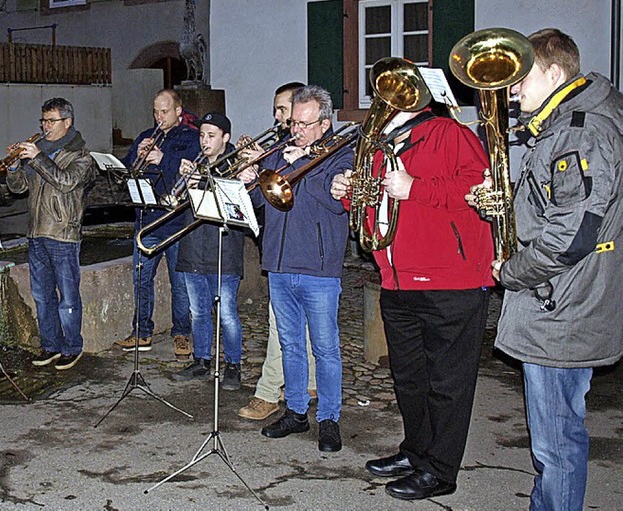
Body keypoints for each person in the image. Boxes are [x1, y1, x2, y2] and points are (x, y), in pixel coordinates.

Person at [467, 28, 623, 511]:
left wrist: (512, 269)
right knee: (556, 436)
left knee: (556, 442)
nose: (512, 91)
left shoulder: (580, 130)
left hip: (562, 303)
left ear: (555, 73)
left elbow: (572, 234)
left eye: (521, 78)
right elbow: (560, 209)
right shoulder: (571, 123)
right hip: (563, 296)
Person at [331, 103, 494, 497]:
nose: (381, 106)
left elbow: (481, 191)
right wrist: (350, 194)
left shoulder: (449, 133)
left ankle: (440, 471)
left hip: (450, 281)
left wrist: (415, 187)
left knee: (447, 383)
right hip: (397, 279)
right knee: (410, 379)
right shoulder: (379, 145)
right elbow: (378, 208)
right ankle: (416, 451)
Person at [239, 85, 353, 452]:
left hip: (318, 267)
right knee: (290, 344)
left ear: (324, 122)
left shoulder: (341, 154)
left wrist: (302, 163)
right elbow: (265, 198)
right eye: (294, 123)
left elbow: (336, 204)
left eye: (304, 124)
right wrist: (251, 178)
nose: (296, 131)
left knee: (325, 348)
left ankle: (330, 419)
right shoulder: (285, 152)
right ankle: (296, 412)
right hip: (279, 262)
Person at [236, 81, 319, 420]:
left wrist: (265, 163)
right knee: (298, 325)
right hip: (279, 249)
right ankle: (310, 382)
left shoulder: (312, 150)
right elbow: (262, 203)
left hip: (308, 250)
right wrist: (250, 176)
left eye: (282, 110)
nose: (277, 117)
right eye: (277, 111)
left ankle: (268, 392)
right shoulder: (278, 150)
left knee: (281, 327)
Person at [6, 97, 95, 370]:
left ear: (67, 123)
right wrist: (13, 168)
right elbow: (20, 188)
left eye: (51, 121)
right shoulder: (38, 152)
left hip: (63, 234)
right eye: (43, 120)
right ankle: (50, 345)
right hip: (36, 232)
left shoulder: (82, 156)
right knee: (43, 296)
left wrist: (37, 157)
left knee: (67, 297)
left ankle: (72, 347)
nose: (46, 126)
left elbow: (65, 182)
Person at [114, 89, 199, 360]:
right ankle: (141, 332)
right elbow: (127, 173)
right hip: (146, 220)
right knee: (141, 280)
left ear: (178, 111)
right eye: (155, 112)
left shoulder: (191, 138)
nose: (159, 117)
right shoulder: (145, 136)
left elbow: (191, 170)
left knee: (180, 284)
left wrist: (163, 158)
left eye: (164, 111)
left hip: (175, 222)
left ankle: (182, 333)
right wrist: (133, 158)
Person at [172, 112, 247, 391]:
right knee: (198, 312)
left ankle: (233, 365)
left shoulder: (236, 167)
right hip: (192, 247)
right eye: (202, 135)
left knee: (227, 313)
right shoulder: (195, 164)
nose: (204, 141)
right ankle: (201, 359)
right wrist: (185, 187)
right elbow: (176, 203)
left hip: (223, 251)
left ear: (225, 138)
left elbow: (237, 208)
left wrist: (200, 185)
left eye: (211, 136)